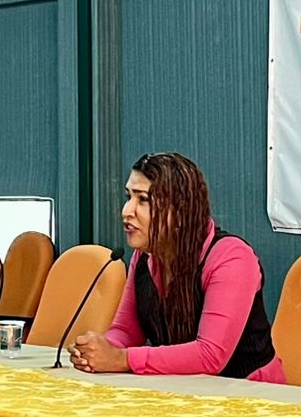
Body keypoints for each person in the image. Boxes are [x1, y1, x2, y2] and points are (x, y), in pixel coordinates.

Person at [69, 152, 285, 382]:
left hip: (252, 393)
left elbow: (210, 355)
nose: (126, 211)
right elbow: (126, 331)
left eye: (143, 200)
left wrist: (122, 359)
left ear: (180, 211)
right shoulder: (143, 255)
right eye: (128, 197)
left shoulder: (232, 258)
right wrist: (97, 351)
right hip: (184, 390)